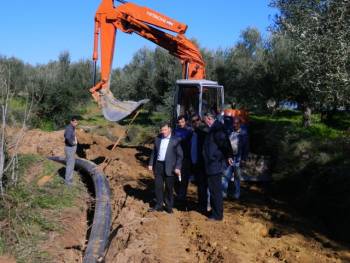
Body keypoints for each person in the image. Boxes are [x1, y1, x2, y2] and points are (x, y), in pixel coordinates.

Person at [202, 112, 233, 221]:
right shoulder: (214, 128)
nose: (205, 122)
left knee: (215, 191)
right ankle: (215, 211)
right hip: (211, 164)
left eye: (205, 120)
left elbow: (224, 143)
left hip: (215, 164)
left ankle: (217, 215)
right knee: (213, 190)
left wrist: (229, 155)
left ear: (209, 119)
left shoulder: (217, 129)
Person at [148, 121, 183, 213]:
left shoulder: (176, 140)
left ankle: (168, 206)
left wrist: (178, 167)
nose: (163, 131)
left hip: (170, 167)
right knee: (158, 186)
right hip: (158, 165)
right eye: (162, 130)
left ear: (169, 129)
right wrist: (151, 163)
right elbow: (154, 152)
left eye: (165, 129)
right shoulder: (158, 139)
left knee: (168, 187)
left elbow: (180, 155)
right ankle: (159, 205)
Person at [222, 117, 249, 199]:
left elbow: (246, 147)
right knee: (226, 176)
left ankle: (236, 195)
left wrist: (244, 159)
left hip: (238, 158)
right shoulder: (229, 131)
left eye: (237, 123)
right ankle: (223, 193)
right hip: (229, 157)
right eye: (234, 123)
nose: (235, 125)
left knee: (237, 177)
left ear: (240, 124)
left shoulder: (244, 134)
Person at [190, 114, 208, 214]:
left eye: (196, 120)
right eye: (193, 121)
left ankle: (203, 206)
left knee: (203, 186)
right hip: (195, 163)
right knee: (200, 186)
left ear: (200, 120)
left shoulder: (204, 133)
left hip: (202, 164)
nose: (195, 122)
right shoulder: (193, 133)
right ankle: (201, 204)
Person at [174, 115, 192, 208]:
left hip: (186, 157)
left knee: (184, 178)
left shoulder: (189, 130)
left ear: (186, 122)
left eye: (182, 122)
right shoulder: (176, 130)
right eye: (179, 122)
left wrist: (176, 140)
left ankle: (182, 197)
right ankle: (179, 194)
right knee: (176, 177)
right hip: (176, 157)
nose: (181, 123)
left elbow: (182, 139)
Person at [64, 117, 78, 186]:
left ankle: (70, 179)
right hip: (70, 148)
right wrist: (73, 143)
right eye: (75, 122)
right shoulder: (69, 128)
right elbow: (67, 137)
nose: (76, 124)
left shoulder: (72, 127)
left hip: (71, 148)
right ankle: (67, 182)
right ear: (71, 122)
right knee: (70, 164)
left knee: (72, 163)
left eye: (77, 122)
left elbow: (65, 135)